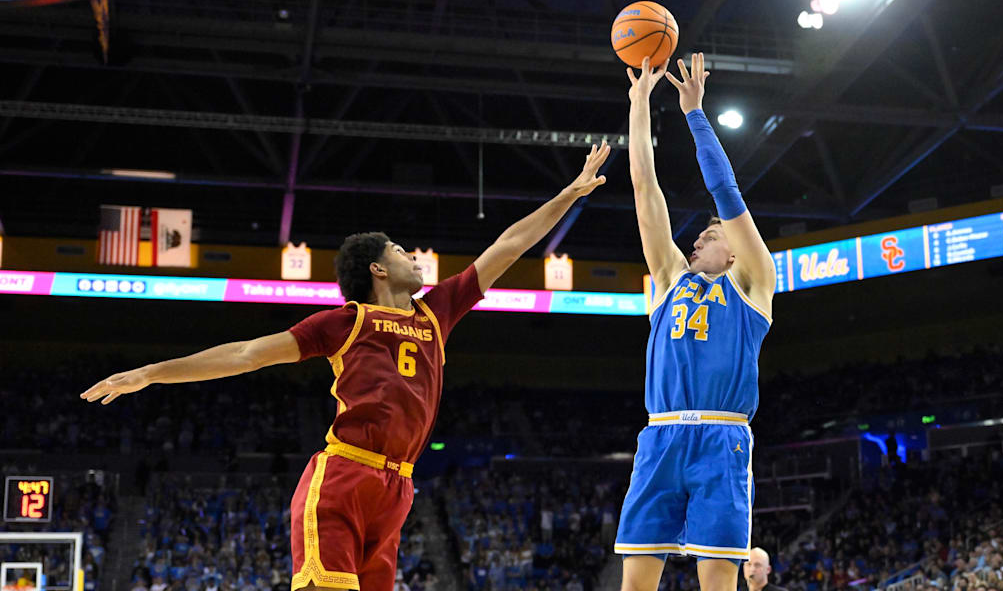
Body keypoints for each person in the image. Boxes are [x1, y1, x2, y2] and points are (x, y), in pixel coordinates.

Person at [80, 142, 612, 591]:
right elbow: (246, 353)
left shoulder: (436, 313)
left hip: (398, 488)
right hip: (344, 476)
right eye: (403, 250)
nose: (416, 256)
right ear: (379, 268)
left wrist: (568, 194)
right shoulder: (345, 322)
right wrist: (152, 372)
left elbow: (508, 245)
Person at [614, 52, 776, 591]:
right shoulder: (668, 280)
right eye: (699, 234)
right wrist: (640, 102)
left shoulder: (752, 283)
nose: (699, 237)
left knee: (717, 584)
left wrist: (693, 113)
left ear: (734, 250)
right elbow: (644, 187)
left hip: (721, 440)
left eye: (711, 233)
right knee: (634, 583)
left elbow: (726, 195)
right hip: (659, 437)